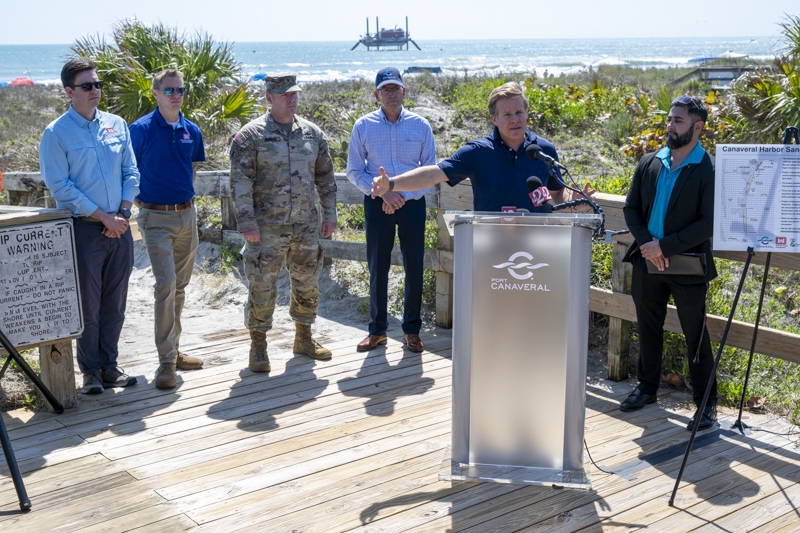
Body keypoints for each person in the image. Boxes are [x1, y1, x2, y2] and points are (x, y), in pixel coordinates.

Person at [39, 58, 139, 395]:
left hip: (120, 226)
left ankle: (110, 366)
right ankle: (91, 371)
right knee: (88, 303)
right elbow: (61, 187)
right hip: (84, 229)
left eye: (97, 84)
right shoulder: (55, 133)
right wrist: (103, 217)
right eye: (87, 86)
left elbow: (131, 172)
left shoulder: (116, 124)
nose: (95, 90)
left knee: (116, 301)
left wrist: (122, 214)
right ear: (70, 92)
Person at [620, 96, 718, 431]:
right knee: (647, 327)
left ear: (698, 126)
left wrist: (664, 246)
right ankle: (647, 389)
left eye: (678, 120)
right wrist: (650, 245)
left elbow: (708, 223)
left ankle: (706, 405)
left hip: (688, 265)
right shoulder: (650, 161)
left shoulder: (709, 168)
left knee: (696, 335)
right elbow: (632, 209)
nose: (670, 125)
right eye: (670, 119)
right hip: (648, 261)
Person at [229, 73, 337, 372]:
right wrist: (247, 222)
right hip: (266, 228)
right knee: (262, 287)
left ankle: (304, 338)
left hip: (305, 225)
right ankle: (258, 346)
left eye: (295, 94)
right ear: (269, 98)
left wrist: (329, 214)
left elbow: (325, 178)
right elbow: (240, 183)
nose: (292, 99)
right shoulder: (250, 136)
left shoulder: (312, 134)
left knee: (307, 283)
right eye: (284, 94)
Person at [370, 82, 593, 211]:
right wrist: (390, 183)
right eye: (507, 114)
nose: (515, 119)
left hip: (535, 241)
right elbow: (432, 175)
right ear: (494, 119)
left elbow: (556, 192)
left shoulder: (544, 151)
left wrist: (573, 201)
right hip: (490, 243)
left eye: (519, 112)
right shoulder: (477, 152)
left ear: (526, 113)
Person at [347, 67, 436, 354]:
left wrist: (400, 194)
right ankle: (377, 331)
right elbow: (354, 171)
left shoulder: (421, 125)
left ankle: (411, 331)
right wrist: (383, 193)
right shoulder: (362, 126)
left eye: (395, 88)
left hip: (412, 204)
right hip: (377, 204)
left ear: (404, 92)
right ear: (376, 95)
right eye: (385, 89)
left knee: (414, 266)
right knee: (377, 267)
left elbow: (430, 171)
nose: (391, 93)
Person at [130, 69, 206, 389]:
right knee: (166, 284)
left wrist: (183, 204)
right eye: (169, 90)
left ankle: (174, 350)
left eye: (180, 90)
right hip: (154, 218)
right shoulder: (141, 129)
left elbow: (191, 170)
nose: (176, 95)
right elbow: (127, 172)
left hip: (187, 217)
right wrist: (143, 208)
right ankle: (165, 364)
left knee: (180, 287)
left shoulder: (192, 130)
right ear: (155, 93)